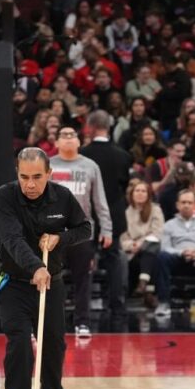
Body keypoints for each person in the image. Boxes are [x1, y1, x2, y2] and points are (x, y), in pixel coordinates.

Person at [0, 148, 92, 389]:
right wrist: (36, 266)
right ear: (17, 174)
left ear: (49, 174)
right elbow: (12, 239)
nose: (30, 184)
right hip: (14, 283)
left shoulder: (62, 197)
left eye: (37, 177)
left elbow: (84, 228)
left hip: (53, 283)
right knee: (20, 343)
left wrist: (61, 238)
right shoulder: (3, 197)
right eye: (24, 177)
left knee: (53, 344)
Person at [50, 127, 113, 338]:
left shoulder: (90, 166)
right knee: (49, 278)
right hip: (54, 231)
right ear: (56, 142)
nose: (68, 138)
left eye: (72, 135)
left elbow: (100, 201)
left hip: (82, 230)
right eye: (63, 135)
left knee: (83, 279)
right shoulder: (47, 165)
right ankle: (50, 324)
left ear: (79, 142)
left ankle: (82, 323)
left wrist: (107, 229)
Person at [79, 110, 132, 325]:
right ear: (108, 127)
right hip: (114, 214)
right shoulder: (123, 155)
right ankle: (117, 307)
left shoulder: (83, 155)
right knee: (114, 260)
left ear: (90, 128)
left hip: (87, 215)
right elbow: (123, 186)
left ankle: (83, 307)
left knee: (84, 262)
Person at [154, 189, 195, 316]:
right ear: (177, 205)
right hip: (178, 259)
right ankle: (163, 302)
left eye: (190, 203)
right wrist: (181, 252)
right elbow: (165, 247)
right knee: (162, 256)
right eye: (183, 202)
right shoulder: (169, 225)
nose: (186, 205)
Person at [121, 180, 165, 303]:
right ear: (132, 194)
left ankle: (143, 284)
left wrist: (141, 243)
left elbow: (157, 232)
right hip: (132, 252)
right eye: (137, 191)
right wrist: (132, 245)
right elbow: (122, 237)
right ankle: (147, 289)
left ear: (148, 194)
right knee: (149, 255)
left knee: (152, 248)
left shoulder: (156, 210)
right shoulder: (125, 213)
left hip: (150, 247)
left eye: (143, 191)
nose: (140, 193)